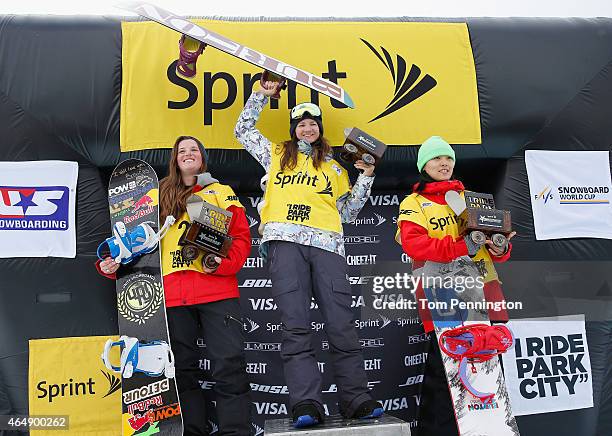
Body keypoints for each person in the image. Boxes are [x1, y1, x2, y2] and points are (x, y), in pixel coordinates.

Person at [234, 81, 384, 428]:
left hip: (328, 247)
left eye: (313, 123)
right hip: (285, 244)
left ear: (320, 130)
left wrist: (366, 178)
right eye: (301, 122)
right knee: (296, 326)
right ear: (293, 128)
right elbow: (242, 129)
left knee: (341, 325)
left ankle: (357, 399)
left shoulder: (335, 168)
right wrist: (261, 94)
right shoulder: (274, 154)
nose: (307, 127)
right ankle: (306, 403)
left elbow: (347, 213)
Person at [97, 136, 252, 436]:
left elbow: (241, 238)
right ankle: (191, 430)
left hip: (215, 291)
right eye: (182, 150)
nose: (188, 154)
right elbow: (134, 244)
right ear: (174, 159)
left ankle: (236, 431)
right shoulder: (155, 197)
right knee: (180, 370)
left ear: (203, 158)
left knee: (228, 364)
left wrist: (222, 264)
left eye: (194, 149)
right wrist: (111, 262)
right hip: (170, 296)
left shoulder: (219, 191)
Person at [396, 135, 516, 436]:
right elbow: (415, 245)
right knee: (445, 377)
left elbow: (489, 249)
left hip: (484, 293)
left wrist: (499, 249)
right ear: (425, 165)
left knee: (488, 376)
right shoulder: (414, 203)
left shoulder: (472, 199)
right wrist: (461, 246)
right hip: (442, 295)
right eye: (436, 158)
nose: (444, 163)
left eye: (448, 158)